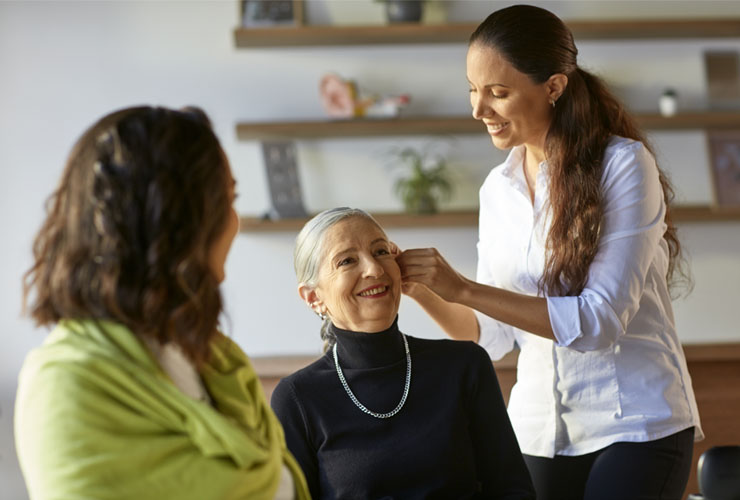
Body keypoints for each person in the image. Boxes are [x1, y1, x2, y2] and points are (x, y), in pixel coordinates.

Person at [396, 5, 703, 500]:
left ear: (554, 87)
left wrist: (464, 288)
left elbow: (600, 319)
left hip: (637, 424)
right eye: (473, 90)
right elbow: (488, 338)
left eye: (498, 92)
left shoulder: (623, 166)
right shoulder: (497, 190)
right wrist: (426, 290)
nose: (479, 109)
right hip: (538, 429)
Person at [16, 106, 310, 500]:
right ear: (179, 223)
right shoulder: (67, 388)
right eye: (227, 199)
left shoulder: (220, 363)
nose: (233, 221)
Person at [270, 207, 535, 499]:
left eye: (381, 251)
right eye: (347, 261)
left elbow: (513, 490)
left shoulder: (464, 365)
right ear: (313, 297)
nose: (374, 269)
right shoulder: (297, 398)